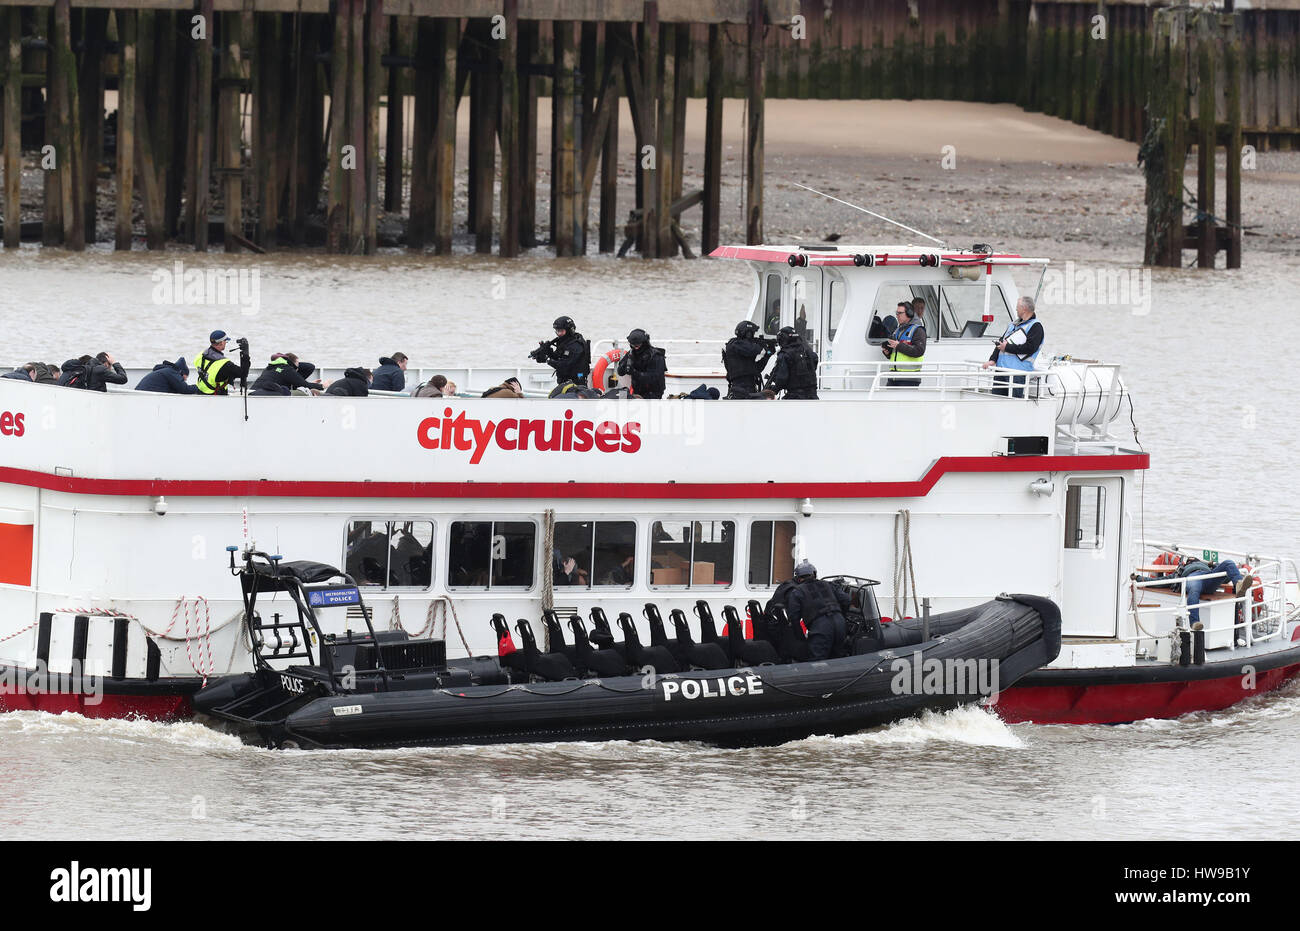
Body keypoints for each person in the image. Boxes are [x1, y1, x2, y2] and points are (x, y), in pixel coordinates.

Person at [1133, 556, 1255, 640]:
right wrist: (1139, 579)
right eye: (1189, 560)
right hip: (1192, 579)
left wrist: (1212, 564)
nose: (1191, 559)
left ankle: (1239, 585)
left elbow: (1227, 573)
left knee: (1228, 563)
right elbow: (1160, 581)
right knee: (1194, 590)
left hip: (1209, 577)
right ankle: (1194, 622)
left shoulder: (1206, 566)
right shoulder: (1180, 572)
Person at [783, 561, 852, 661]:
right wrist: (842, 616)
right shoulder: (829, 584)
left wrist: (801, 638)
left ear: (798, 578)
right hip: (840, 623)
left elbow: (794, 618)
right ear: (814, 574)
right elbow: (847, 600)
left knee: (817, 662)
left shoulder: (797, 592)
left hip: (821, 627)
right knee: (838, 659)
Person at [981, 296, 1043, 398]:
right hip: (1001, 371)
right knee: (996, 402)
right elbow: (1001, 343)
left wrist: (1007, 347)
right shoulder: (1013, 324)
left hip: (1017, 374)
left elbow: (1030, 348)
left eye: (1017, 307)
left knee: (1014, 404)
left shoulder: (1036, 327)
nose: (1016, 309)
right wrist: (992, 360)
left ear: (1024, 309)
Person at [529, 316, 590, 386]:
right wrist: (547, 351)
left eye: (561, 331)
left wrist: (547, 360)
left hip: (577, 383)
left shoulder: (576, 346)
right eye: (557, 331)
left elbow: (564, 365)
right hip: (565, 381)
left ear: (570, 330)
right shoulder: (565, 342)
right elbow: (557, 357)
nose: (559, 334)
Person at [722, 320, 776, 399]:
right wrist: (762, 344)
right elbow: (753, 349)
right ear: (747, 333)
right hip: (740, 387)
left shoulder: (745, 348)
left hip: (750, 386)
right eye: (752, 333)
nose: (753, 336)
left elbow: (755, 369)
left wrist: (767, 355)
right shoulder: (735, 344)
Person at [765, 326, 818, 399]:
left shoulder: (785, 354)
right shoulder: (808, 351)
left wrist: (773, 390)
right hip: (813, 395)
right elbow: (814, 364)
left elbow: (782, 378)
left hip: (795, 397)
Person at [883, 301, 926, 388]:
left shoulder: (918, 330)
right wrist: (888, 353)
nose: (897, 315)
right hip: (893, 377)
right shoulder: (897, 330)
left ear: (909, 314)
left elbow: (919, 351)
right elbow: (897, 354)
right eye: (896, 313)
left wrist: (898, 345)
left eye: (900, 313)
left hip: (908, 379)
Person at [194, 330, 250, 395]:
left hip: (200, 393)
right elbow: (243, 373)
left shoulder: (200, 355)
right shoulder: (224, 364)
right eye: (225, 341)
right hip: (216, 397)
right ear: (221, 343)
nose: (226, 343)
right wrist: (246, 354)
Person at [616, 329, 667, 399]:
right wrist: (624, 366)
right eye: (633, 345)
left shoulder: (656, 356)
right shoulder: (631, 353)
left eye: (638, 345)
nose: (636, 348)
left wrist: (634, 372)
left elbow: (653, 379)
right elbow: (620, 372)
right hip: (637, 392)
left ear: (645, 342)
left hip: (653, 394)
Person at [250, 353, 323, 396]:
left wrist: (293, 363)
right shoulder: (287, 369)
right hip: (266, 394)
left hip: (252, 392)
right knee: (308, 392)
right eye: (298, 364)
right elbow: (306, 384)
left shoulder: (271, 366)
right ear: (292, 363)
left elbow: (309, 368)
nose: (298, 368)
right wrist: (323, 385)